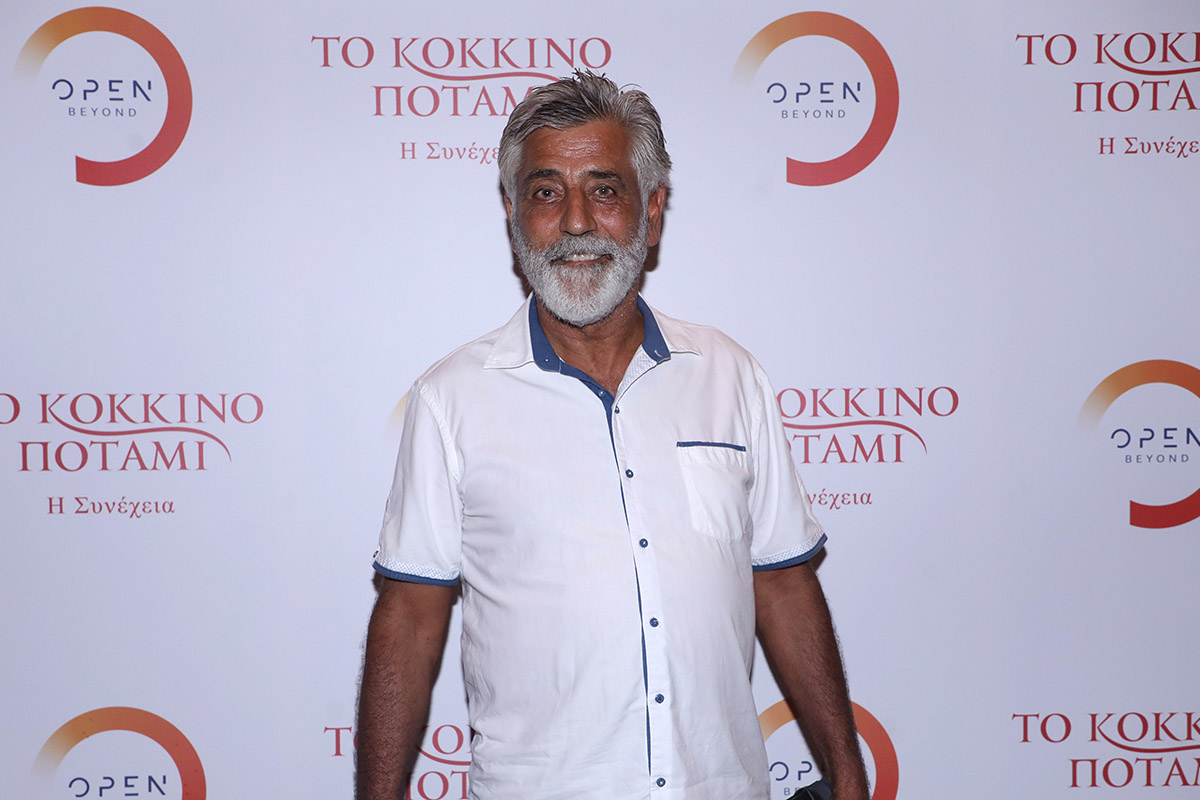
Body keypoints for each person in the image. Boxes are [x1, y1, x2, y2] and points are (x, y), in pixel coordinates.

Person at [357, 71, 869, 800]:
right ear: (513, 215)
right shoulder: (451, 399)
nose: (575, 221)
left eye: (604, 190)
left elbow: (783, 582)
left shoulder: (730, 376)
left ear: (651, 212)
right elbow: (409, 618)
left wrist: (848, 776)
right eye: (545, 192)